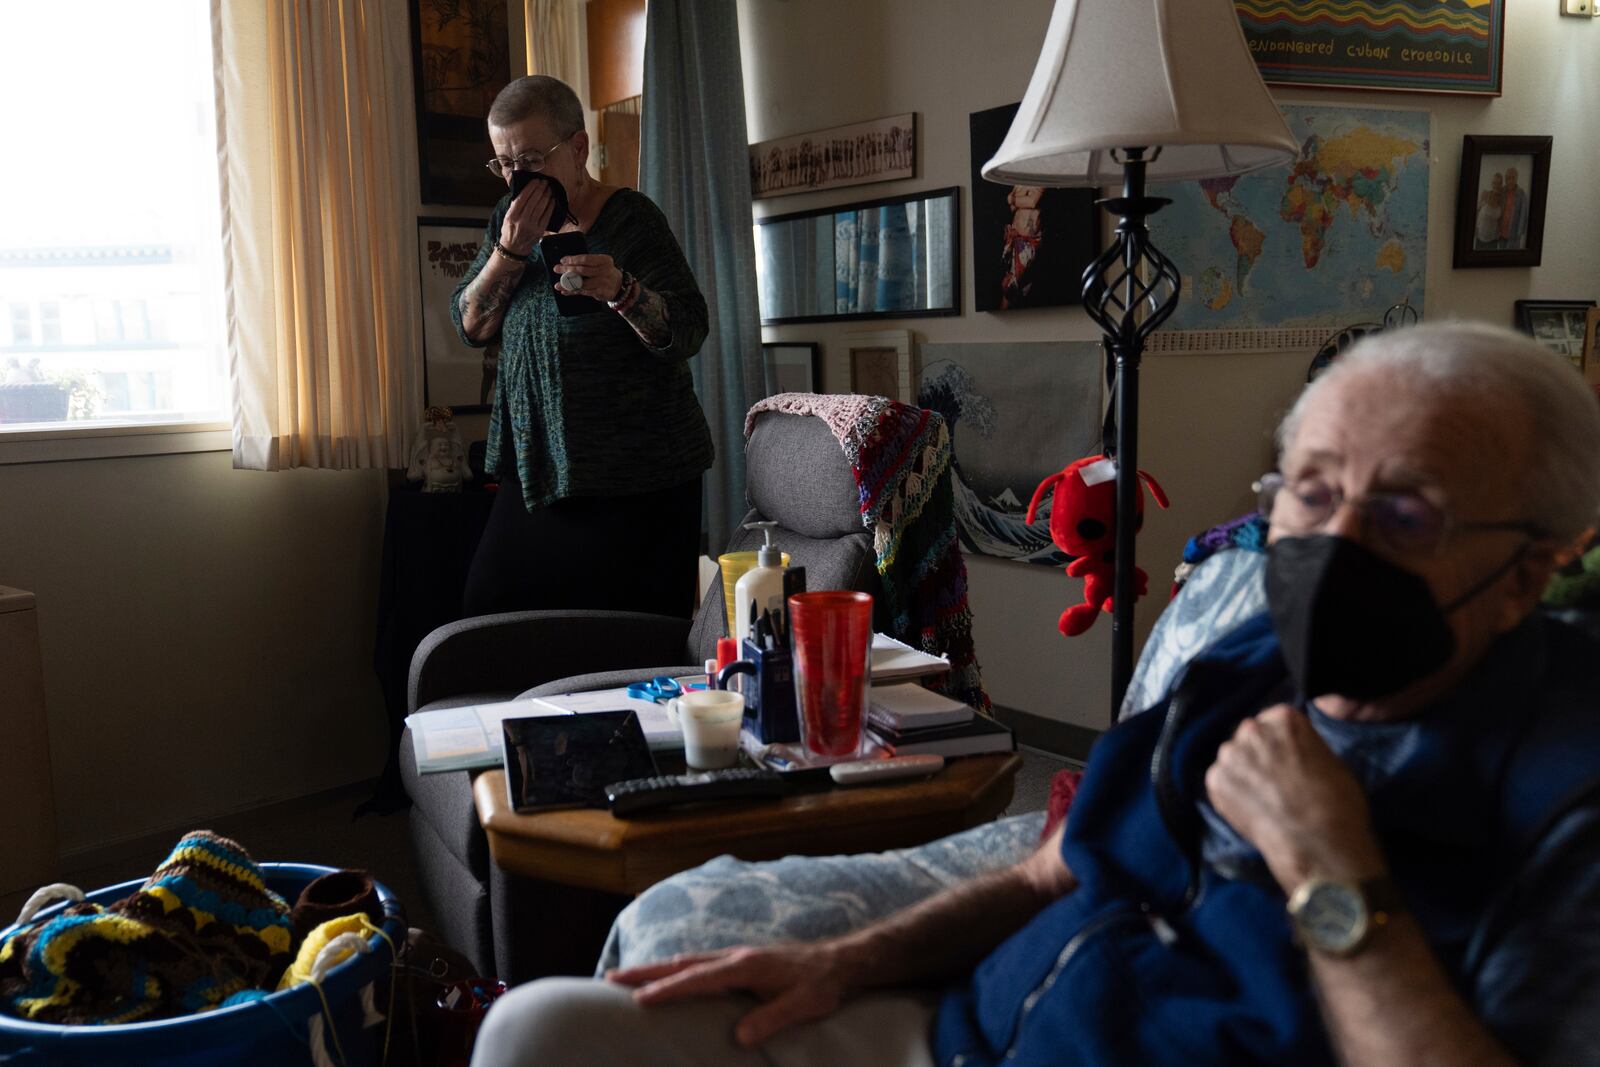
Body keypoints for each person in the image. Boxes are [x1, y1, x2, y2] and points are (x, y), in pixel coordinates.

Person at [467, 321, 1600, 1067]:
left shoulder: (1563, 792)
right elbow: (1062, 863)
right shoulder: (1247, 659)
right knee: (541, 1028)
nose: (1334, 541)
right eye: (1309, 492)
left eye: (1406, 515)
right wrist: (842, 959)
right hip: (972, 1032)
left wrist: (1331, 873)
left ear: (1537, 565)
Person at [454, 75, 713, 619]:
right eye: (503, 162)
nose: (515, 177)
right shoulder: (507, 221)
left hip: (641, 477)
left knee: (629, 642)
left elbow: (688, 327)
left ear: (577, 148)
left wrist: (623, 291)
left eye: (529, 157)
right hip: (540, 467)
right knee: (490, 613)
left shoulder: (632, 219)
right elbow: (472, 325)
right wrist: (509, 251)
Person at [1499, 166, 1530, 251]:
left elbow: (1524, 215)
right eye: (1508, 178)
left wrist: (1520, 233)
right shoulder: (1502, 190)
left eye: (1513, 178)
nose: (1510, 180)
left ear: (1517, 178)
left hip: (1513, 234)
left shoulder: (1521, 194)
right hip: (1500, 233)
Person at [1475, 170, 1504, 249]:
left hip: (1493, 240)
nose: (1496, 185)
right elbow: (1476, 210)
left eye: (1499, 183)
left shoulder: (1503, 199)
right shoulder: (1485, 195)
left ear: (1501, 184)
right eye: (1494, 183)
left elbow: (1501, 220)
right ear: (1491, 183)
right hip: (1480, 238)